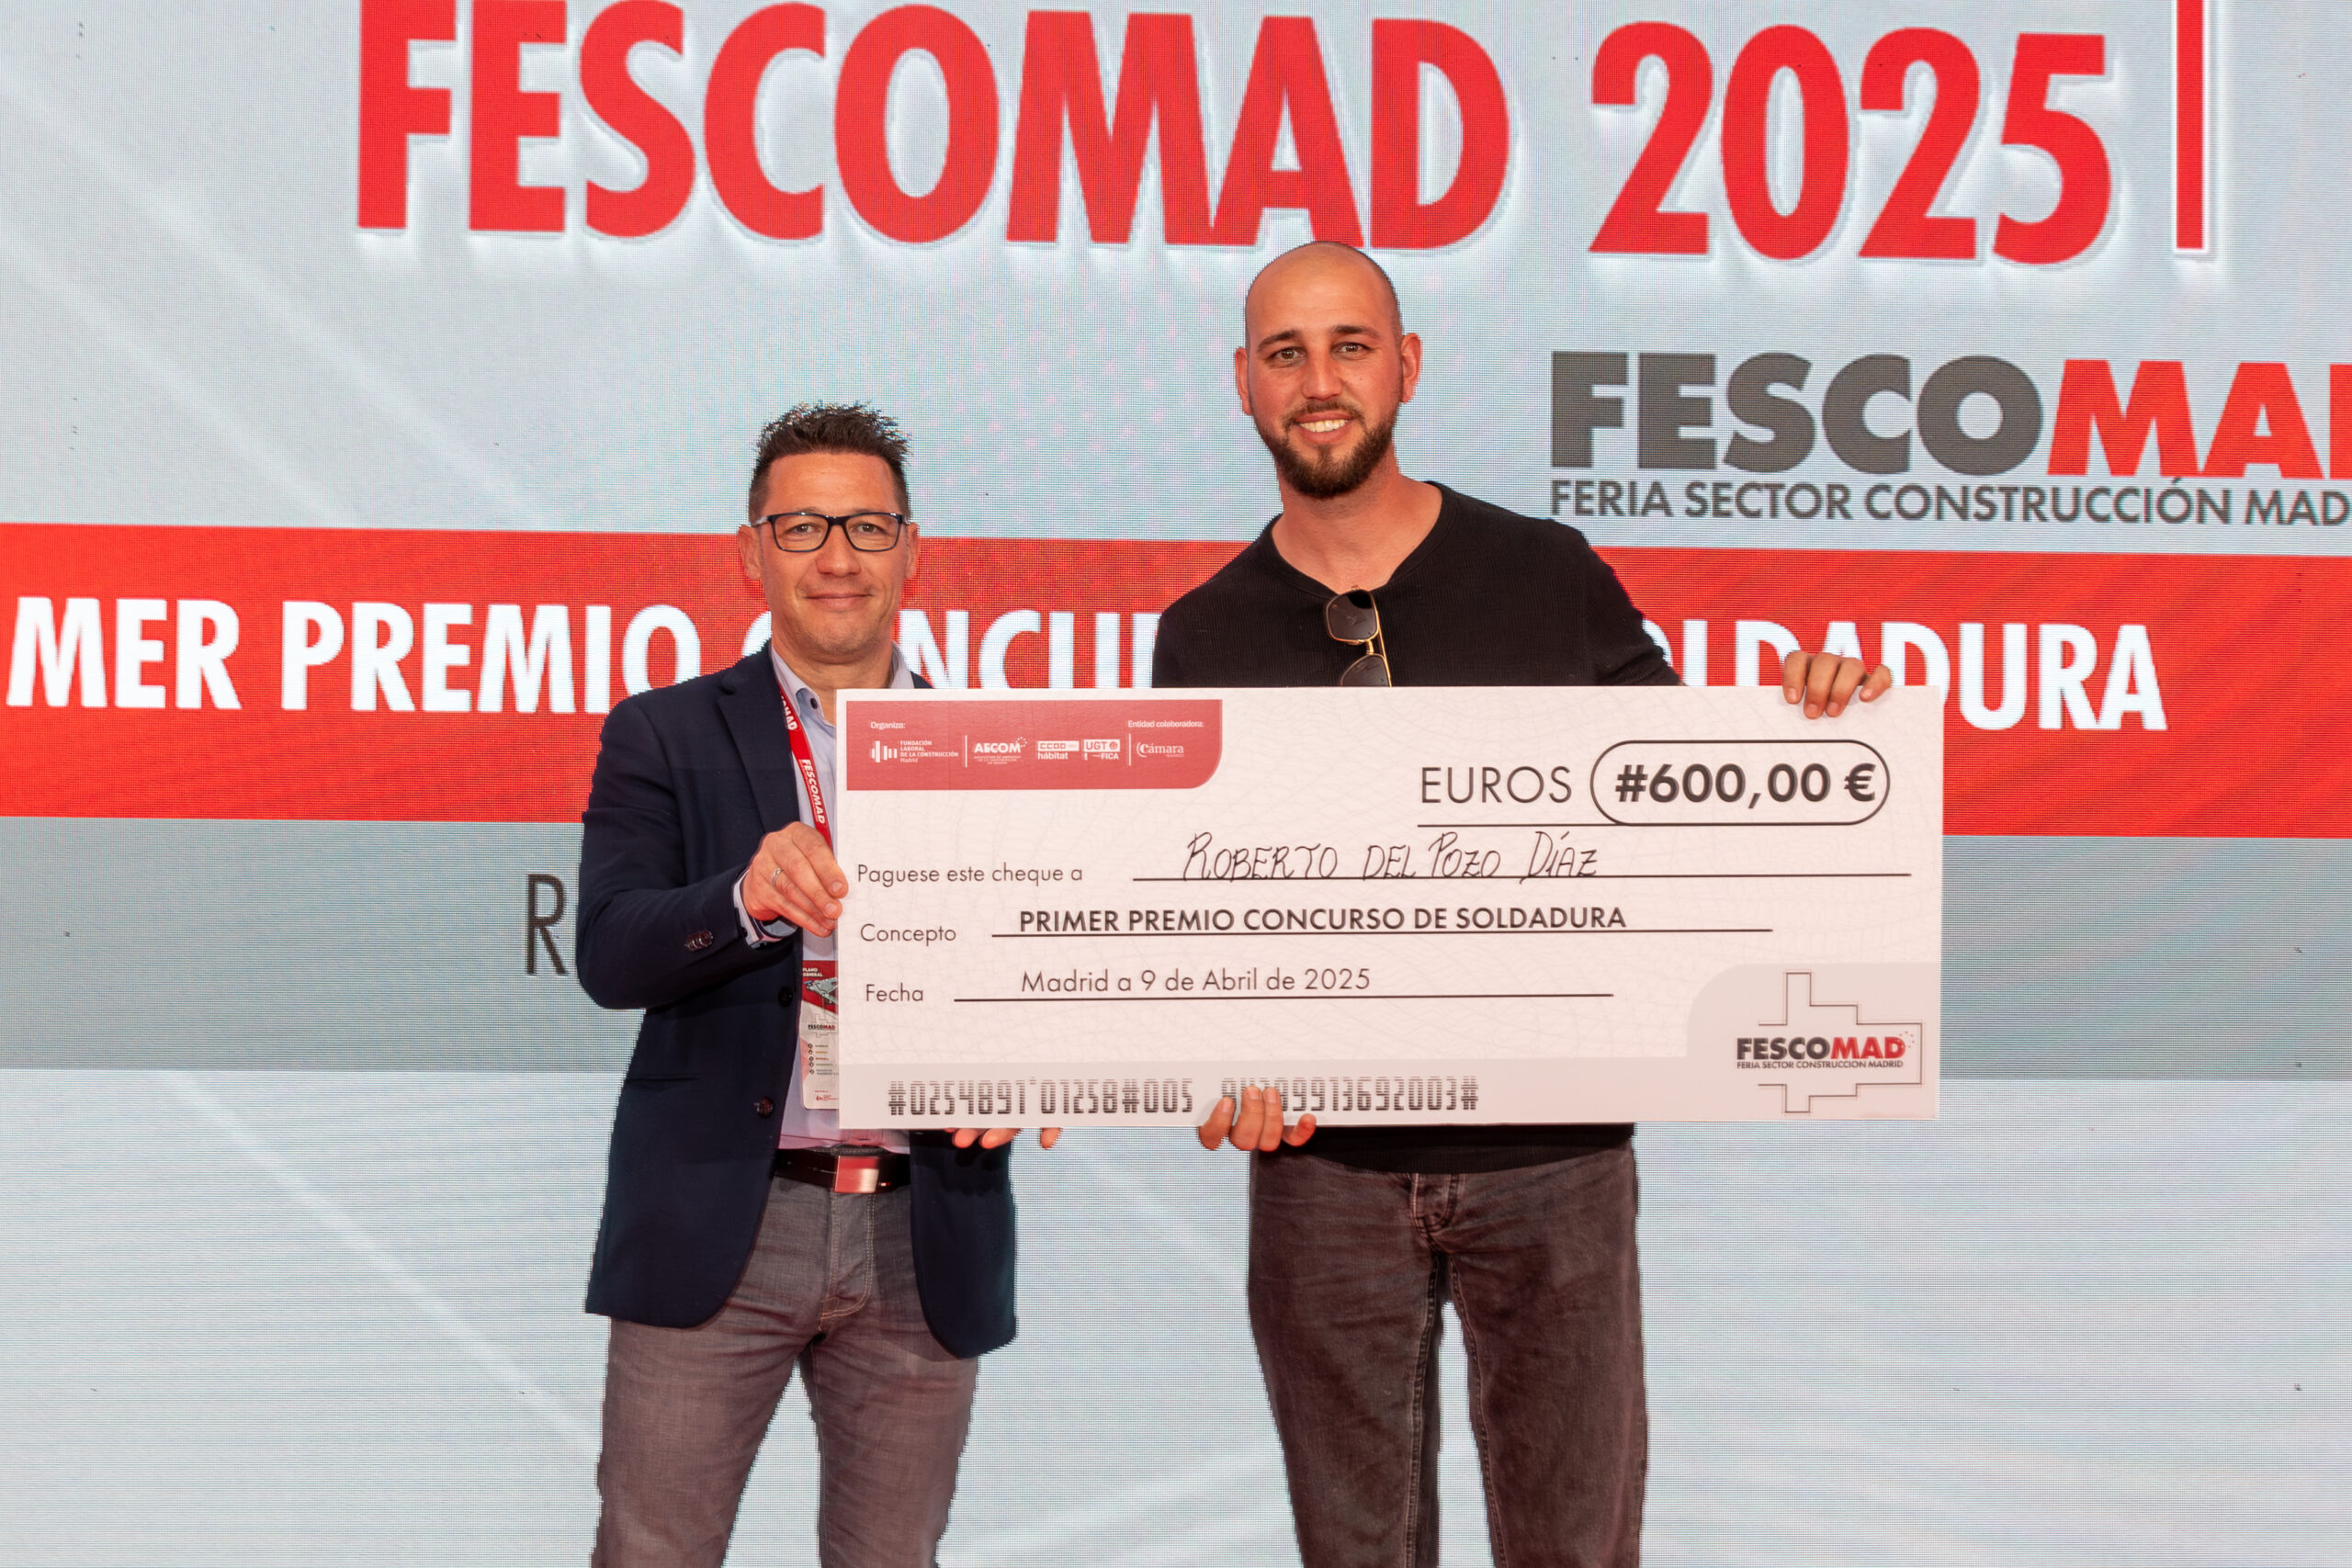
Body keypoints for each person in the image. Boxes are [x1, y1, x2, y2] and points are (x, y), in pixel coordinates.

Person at [1152, 243, 1892, 1568]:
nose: (1319, 380)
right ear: (1243, 385)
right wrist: (1211, 1057)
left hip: (1555, 1159)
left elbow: (1695, 809)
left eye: (1349, 345)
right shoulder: (1199, 633)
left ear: (1406, 366)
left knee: (1577, 1544)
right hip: (1321, 1173)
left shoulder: (1549, 571)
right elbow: (1187, 912)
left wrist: (1816, 722)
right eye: (1285, 353)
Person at [576, 402, 1051, 1568]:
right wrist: (745, 897)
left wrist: (1044, 1062)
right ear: (751, 552)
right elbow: (611, 953)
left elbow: (1044, 962)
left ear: (911, 548)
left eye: (866, 526)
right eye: (801, 527)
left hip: (924, 1226)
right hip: (718, 1222)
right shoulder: (663, 733)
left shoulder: (1000, 747)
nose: (837, 556)